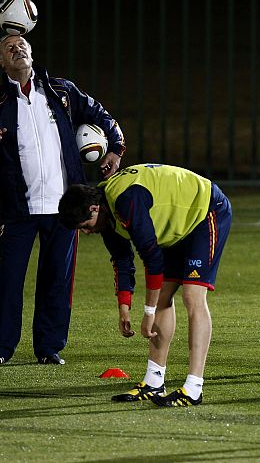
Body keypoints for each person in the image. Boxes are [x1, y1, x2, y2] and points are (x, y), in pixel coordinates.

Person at [0, 34, 125, 366]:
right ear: (2, 62)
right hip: (18, 210)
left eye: (22, 45)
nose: (17, 49)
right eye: (9, 48)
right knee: (9, 278)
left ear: (32, 53)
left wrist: (115, 147)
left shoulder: (61, 91)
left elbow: (102, 114)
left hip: (65, 208)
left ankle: (49, 347)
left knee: (57, 279)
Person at [58, 164, 232, 407]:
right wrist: (124, 306)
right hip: (176, 225)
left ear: (94, 208)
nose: (87, 232)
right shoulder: (106, 212)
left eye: (85, 226)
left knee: (192, 296)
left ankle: (194, 388)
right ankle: (154, 382)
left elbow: (152, 260)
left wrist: (148, 314)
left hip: (206, 209)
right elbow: (122, 259)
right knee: (163, 297)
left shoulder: (127, 201)